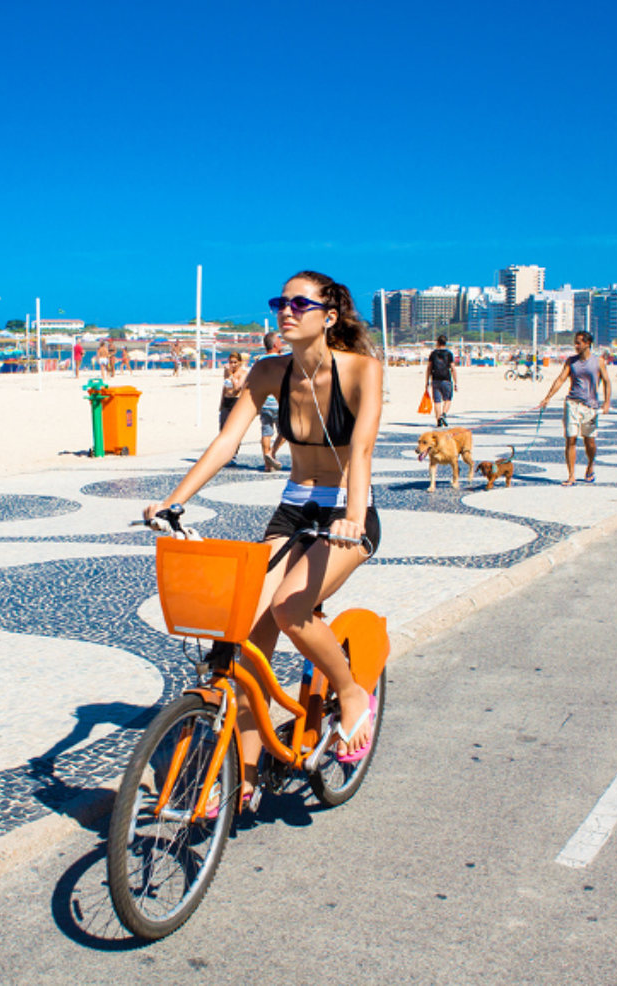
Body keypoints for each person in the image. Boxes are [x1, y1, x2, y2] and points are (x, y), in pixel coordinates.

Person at [145, 270, 385, 810]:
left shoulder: (361, 370)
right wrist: (172, 501)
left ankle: (350, 693)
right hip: (294, 508)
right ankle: (246, 778)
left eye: (302, 303)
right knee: (249, 639)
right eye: (281, 301)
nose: (287, 309)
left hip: (347, 508)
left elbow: (363, 451)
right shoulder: (268, 371)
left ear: (329, 315)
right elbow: (227, 441)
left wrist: (352, 514)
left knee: (290, 605)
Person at [535, 330, 611, 486]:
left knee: (589, 442)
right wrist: (547, 397)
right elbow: (561, 379)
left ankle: (590, 465)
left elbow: (607, 382)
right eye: (575, 342)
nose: (576, 346)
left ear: (587, 343)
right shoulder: (571, 361)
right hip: (572, 403)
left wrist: (607, 402)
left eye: (579, 343)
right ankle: (571, 475)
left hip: (590, 406)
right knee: (571, 440)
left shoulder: (599, 361)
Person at [257, 331, 286, 471]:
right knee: (286, 431)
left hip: (264, 402)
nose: (281, 343)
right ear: (275, 344)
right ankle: (272, 453)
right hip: (279, 402)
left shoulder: (259, 360)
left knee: (266, 432)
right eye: (279, 341)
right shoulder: (281, 360)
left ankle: (267, 465)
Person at [425, 334, 456, 428]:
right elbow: (453, 369)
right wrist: (456, 382)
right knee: (448, 399)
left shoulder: (433, 354)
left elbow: (429, 368)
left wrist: (427, 381)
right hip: (446, 378)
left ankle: (438, 420)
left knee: (437, 401)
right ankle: (444, 414)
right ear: (445, 343)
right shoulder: (449, 354)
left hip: (435, 379)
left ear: (437, 342)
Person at [219, 351, 248, 431]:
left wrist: (232, 376)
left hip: (235, 401)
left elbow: (237, 389)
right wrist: (221, 403)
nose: (233, 365)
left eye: (235, 362)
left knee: (235, 428)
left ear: (239, 362)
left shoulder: (243, 373)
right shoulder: (227, 372)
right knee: (223, 428)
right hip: (226, 400)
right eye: (231, 362)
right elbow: (225, 387)